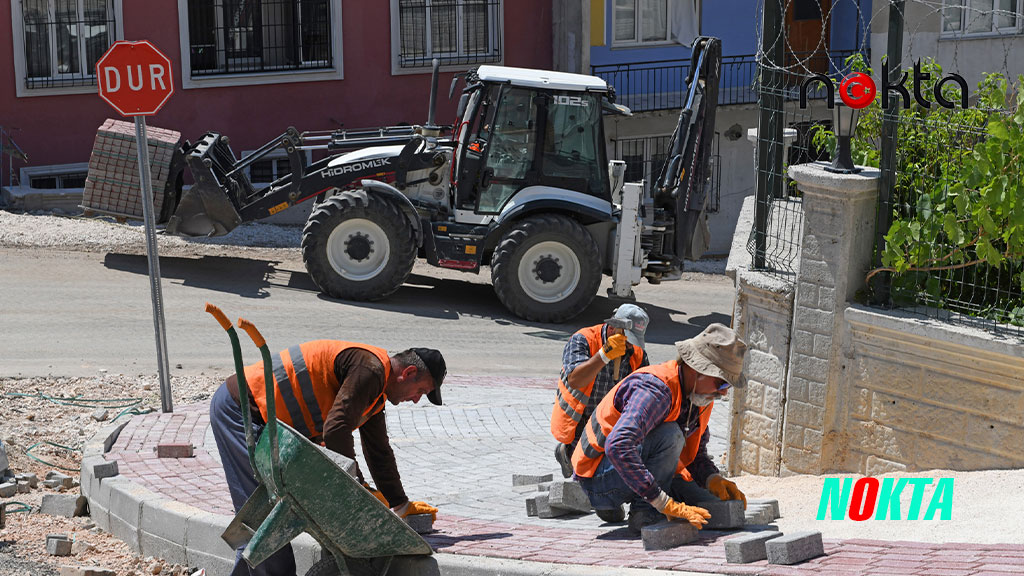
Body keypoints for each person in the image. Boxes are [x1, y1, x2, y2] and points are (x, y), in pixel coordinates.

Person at [209, 341, 446, 576]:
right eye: (421, 391)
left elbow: (378, 451)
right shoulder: (369, 370)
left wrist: (400, 503)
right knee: (264, 522)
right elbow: (336, 429)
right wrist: (355, 488)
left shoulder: (377, 389)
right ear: (409, 372)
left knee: (263, 526)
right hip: (242, 408)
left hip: (263, 417)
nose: (416, 400)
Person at [571, 323, 748, 534]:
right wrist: (663, 503)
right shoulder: (654, 389)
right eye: (721, 384)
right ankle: (644, 512)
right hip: (598, 479)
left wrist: (712, 479)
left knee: (707, 502)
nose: (723, 393)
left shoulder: (699, 397)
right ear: (697, 369)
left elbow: (694, 454)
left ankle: (636, 502)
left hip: (636, 470)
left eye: (727, 386)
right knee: (671, 435)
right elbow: (618, 446)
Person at [551, 305, 650, 517]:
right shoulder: (583, 340)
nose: (630, 346)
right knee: (607, 509)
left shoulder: (637, 353)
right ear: (613, 328)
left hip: (612, 425)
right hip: (581, 423)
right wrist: (604, 355)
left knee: (611, 507)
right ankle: (568, 452)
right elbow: (575, 380)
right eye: (628, 339)